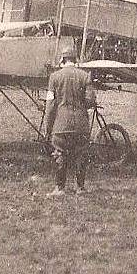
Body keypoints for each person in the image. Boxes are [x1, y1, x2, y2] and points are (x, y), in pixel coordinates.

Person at [43, 46, 97, 197]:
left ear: (62, 60)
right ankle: (80, 188)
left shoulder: (54, 77)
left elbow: (50, 105)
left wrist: (48, 128)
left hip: (61, 125)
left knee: (60, 153)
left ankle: (60, 188)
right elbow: (91, 100)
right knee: (81, 155)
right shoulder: (85, 76)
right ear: (75, 60)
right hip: (81, 125)